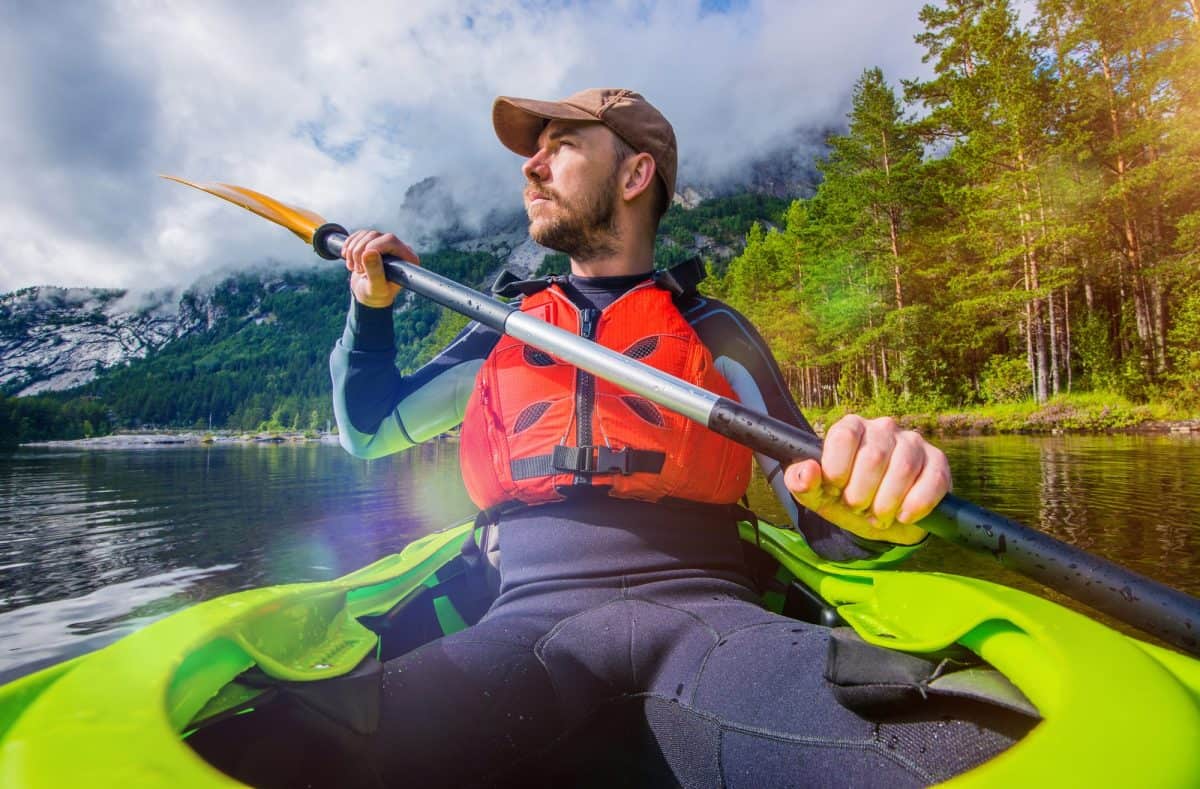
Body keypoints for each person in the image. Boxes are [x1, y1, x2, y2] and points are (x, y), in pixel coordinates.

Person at [211, 89, 1028, 788]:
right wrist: (370, 310)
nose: (531, 166)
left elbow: (821, 515)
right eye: (533, 153)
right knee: (256, 751)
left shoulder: (712, 331)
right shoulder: (503, 330)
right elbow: (366, 429)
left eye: (561, 147)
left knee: (986, 745)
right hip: (520, 622)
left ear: (636, 174)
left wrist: (880, 496)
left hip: (716, 624)